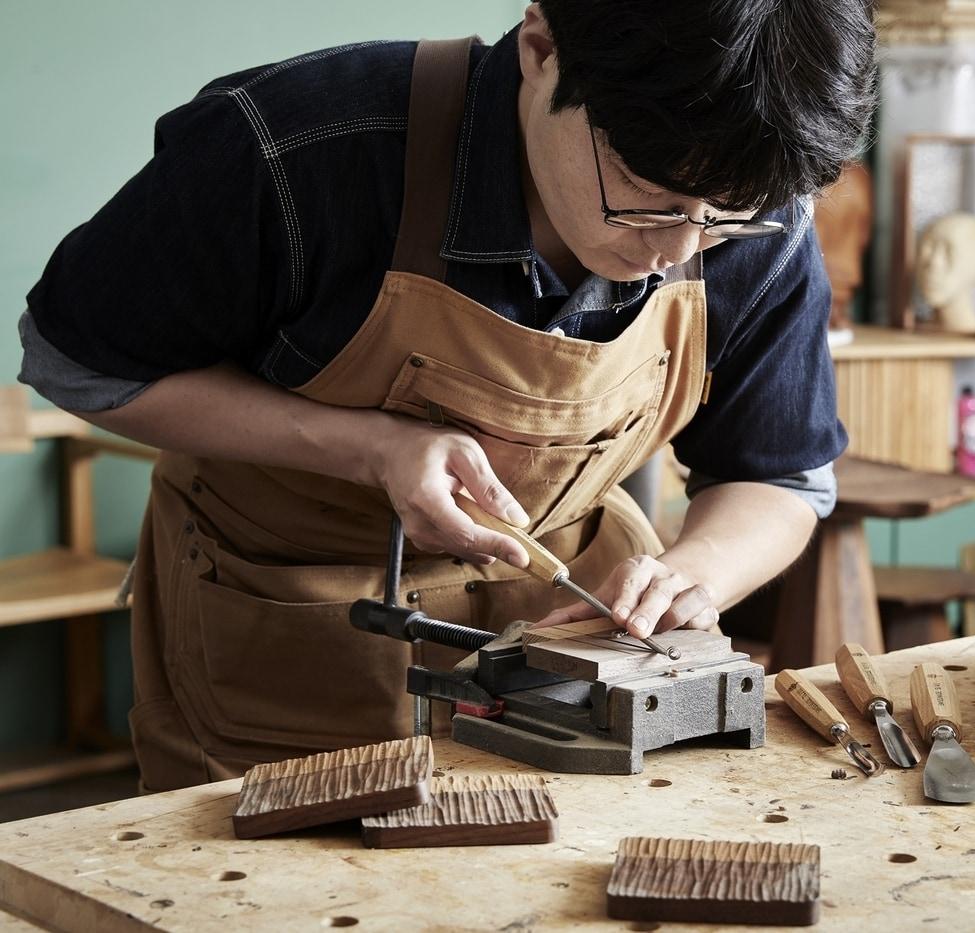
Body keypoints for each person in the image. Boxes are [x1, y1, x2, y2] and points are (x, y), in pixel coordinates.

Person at [18, 0, 876, 790]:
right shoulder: (298, 149)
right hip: (281, 636)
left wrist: (698, 573)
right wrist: (368, 445)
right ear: (543, 51)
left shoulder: (746, 198)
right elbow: (76, 361)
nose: (680, 247)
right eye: (647, 197)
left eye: (724, 217)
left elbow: (781, 477)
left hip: (566, 667)